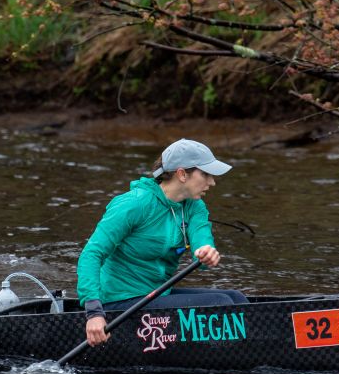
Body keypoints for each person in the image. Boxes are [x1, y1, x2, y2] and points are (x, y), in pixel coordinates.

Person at [78, 139, 248, 346]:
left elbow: (201, 239)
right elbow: (91, 255)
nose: (212, 182)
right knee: (219, 304)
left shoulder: (195, 206)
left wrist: (205, 253)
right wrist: (94, 312)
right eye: (205, 174)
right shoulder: (134, 204)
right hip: (120, 302)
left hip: (157, 295)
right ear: (182, 174)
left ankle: (256, 347)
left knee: (236, 298)